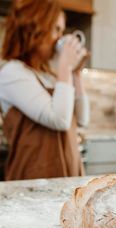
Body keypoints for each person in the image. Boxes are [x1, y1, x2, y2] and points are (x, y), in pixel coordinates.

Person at [0, 0, 90, 180]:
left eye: (62, 31)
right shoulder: (13, 73)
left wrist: (75, 73)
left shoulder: (49, 74)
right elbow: (59, 120)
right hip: (35, 178)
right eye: (56, 29)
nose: (60, 38)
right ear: (34, 30)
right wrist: (65, 65)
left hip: (68, 171)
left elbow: (82, 119)